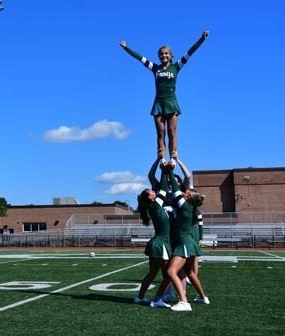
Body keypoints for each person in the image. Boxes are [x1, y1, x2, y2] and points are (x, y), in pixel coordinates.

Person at [119, 31, 209, 160]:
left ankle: (173, 155)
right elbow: (140, 58)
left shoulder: (176, 67)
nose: (164, 55)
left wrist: (202, 39)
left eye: (166, 53)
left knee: (172, 131)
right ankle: (161, 155)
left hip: (171, 103)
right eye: (161, 54)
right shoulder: (155, 68)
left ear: (170, 55)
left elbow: (190, 52)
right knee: (161, 132)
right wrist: (126, 47)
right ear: (159, 56)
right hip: (159, 103)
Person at [166, 166, 210, 311]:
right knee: (190, 273)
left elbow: (174, 184)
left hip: (184, 243)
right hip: (190, 243)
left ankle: (184, 302)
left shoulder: (184, 206)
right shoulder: (192, 207)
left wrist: (169, 170)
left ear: (188, 197)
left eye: (187, 192)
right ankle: (203, 297)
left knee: (171, 271)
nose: (184, 192)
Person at [134, 158, 172, 308]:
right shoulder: (156, 206)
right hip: (161, 244)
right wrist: (164, 170)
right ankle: (157, 299)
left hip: (157, 243)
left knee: (152, 274)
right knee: (169, 275)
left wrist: (159, 163)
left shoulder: (153, 207)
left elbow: (160, 188)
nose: (153, 191)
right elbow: (162, 187)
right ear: (150, 197)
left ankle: (140, 297)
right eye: (151, 191)